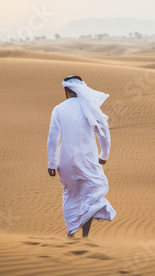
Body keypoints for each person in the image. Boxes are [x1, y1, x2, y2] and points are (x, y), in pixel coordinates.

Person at [47, 75, 116, 239]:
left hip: (65, 163)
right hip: (88, 161)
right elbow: (104, 133)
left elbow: (53, 137)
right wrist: (104, 154)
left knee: (69, 195)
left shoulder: (58, 108)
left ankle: (71, 233)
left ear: (65, 90)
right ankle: (85, 235)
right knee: (89, 197)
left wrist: (51, 163)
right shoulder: (91, 108)